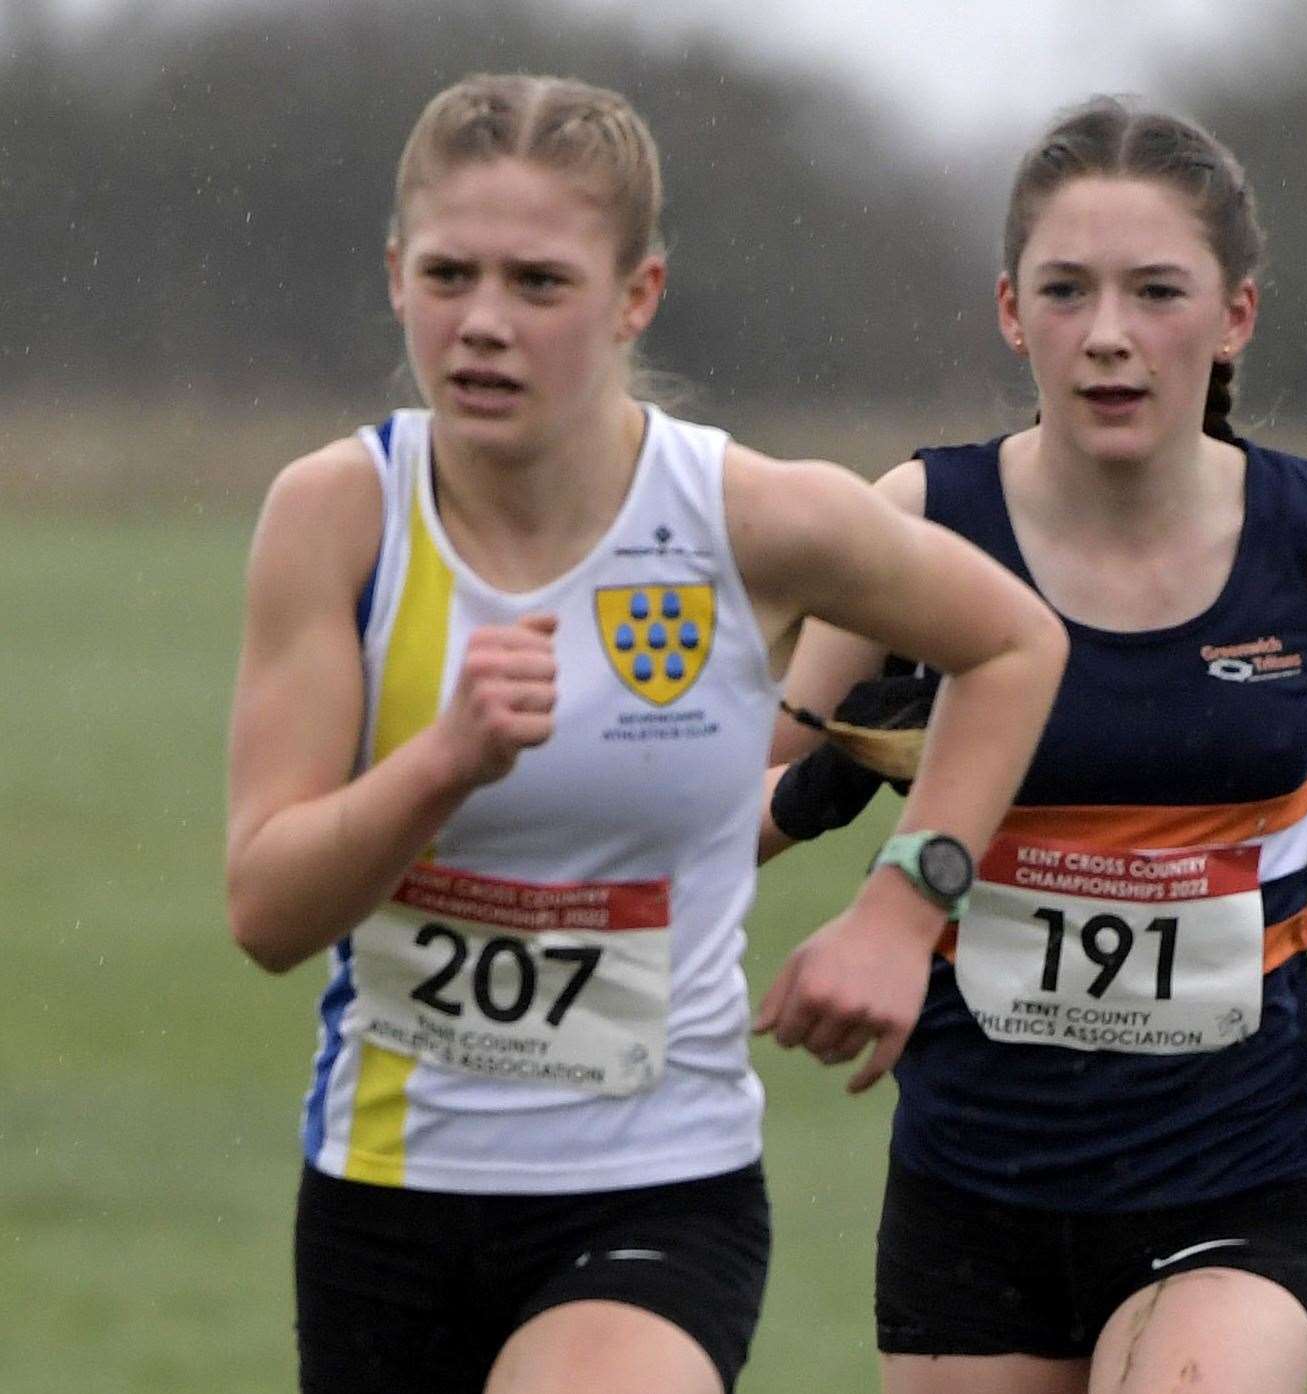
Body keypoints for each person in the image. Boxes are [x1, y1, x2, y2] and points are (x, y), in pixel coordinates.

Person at [224, 73, 1066, 1394]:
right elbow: (268, 910)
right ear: (395, 275)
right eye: (448, 273)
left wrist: (907, 908)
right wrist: (441, 764)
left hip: (655, 1193)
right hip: (389, 1192)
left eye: (540, 283)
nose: (483, 322)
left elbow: (1018, 644)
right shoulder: (340, 515)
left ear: (637, 296)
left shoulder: (744, 516)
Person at [761, 96, 1307, 1394]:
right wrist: (828, 778)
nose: (1107, 336)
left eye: (1155, 291)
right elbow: (729, 806)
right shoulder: (918, 525)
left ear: (1233, 316)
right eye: (1066, 290)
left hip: (1230, 1173)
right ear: (1008, 309)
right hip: (974, 1182)